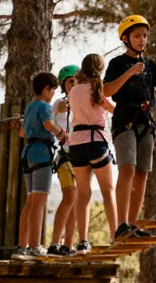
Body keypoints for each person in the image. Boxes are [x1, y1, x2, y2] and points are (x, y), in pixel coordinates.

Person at [104, 15, 156, 240]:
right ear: (125, 39)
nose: (142, 40)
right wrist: (129, 73)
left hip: (145, 122)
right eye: (137, 36)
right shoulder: (117, 64)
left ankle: (132, 224)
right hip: (125, 120)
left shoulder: (149, 64)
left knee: (142, 173)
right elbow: (107, 91)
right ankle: (121, 224)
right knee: (128, 169)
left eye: (144, 36)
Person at [13, 71, 67, 260]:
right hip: (41, 154)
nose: (53, 94)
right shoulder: (44, 107)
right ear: (46, 89)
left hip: (28, 154)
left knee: (30, 202)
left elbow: (22, 132)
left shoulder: (30, 107)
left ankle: (22, 246)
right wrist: (62, 134)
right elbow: (48, 125)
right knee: (39, 202)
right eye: (53, 90)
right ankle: (35, 246)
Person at [68, 53, 117, 253]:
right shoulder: (98, 89)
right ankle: (115, 234)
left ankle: (82, 241)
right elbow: (114, 110)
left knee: (83, 194)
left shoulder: (73, 91)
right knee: (108, 190)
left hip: (76, 144)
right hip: (96, 141)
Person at [47, 64, 79, 256]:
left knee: (76, 202)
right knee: (69, 198)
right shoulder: (59, 103)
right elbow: (47, 122)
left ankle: (68, 245)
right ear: (63, 85)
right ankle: (54, 244)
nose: (74, 84)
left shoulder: (84, 101)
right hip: (65, 156)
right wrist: (57, 111)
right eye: (70, 81)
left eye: (76, 80)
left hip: (83, 157)